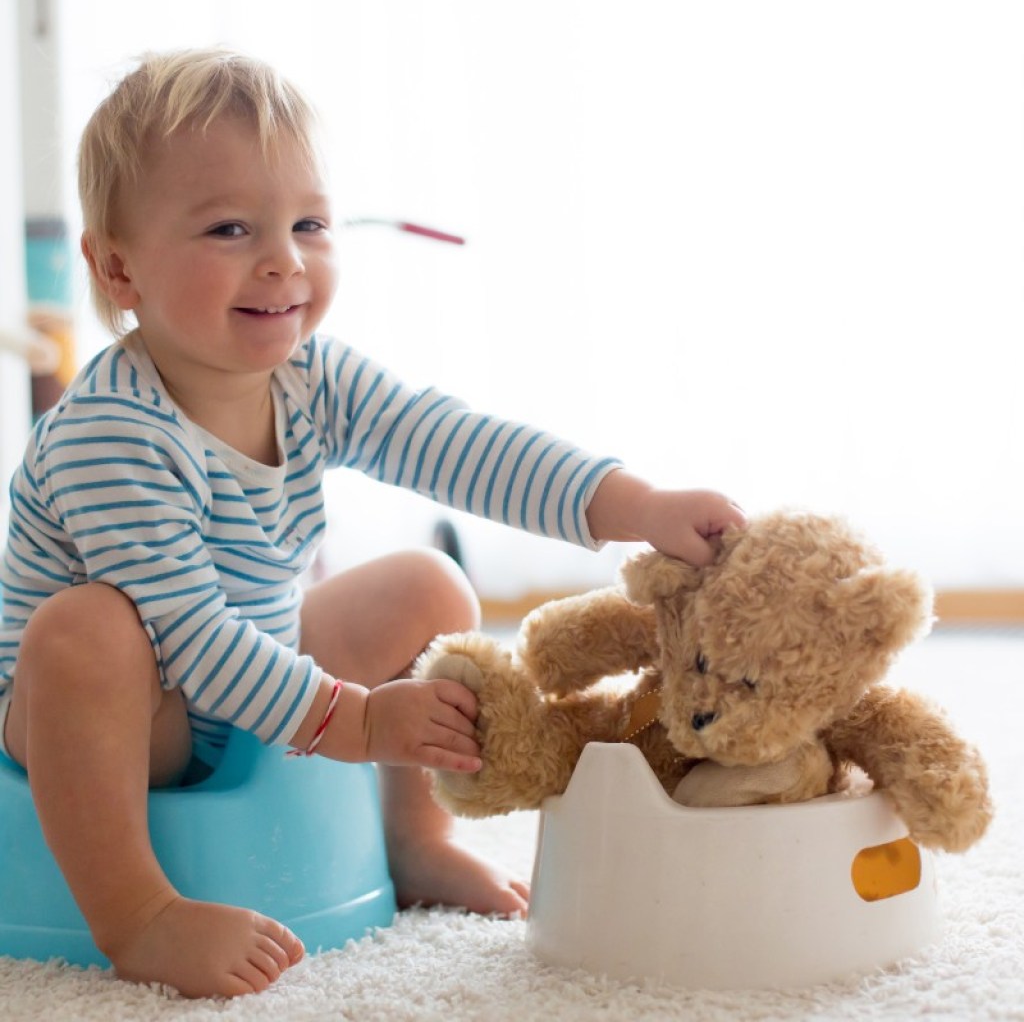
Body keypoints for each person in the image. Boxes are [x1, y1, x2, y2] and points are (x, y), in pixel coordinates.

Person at [0, 49, 746, 1000]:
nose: (284, 259)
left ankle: (412, 837)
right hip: (125, 712)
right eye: (229, 228)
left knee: (429, 586)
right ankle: (138, 912)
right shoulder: (111, 432)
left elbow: (458, 444)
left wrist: (632, 505)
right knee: (86, 631)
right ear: (118, 266)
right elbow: (186, 636)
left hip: (256, 665)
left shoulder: (313, 375)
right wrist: (355, 721)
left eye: (308, 223)